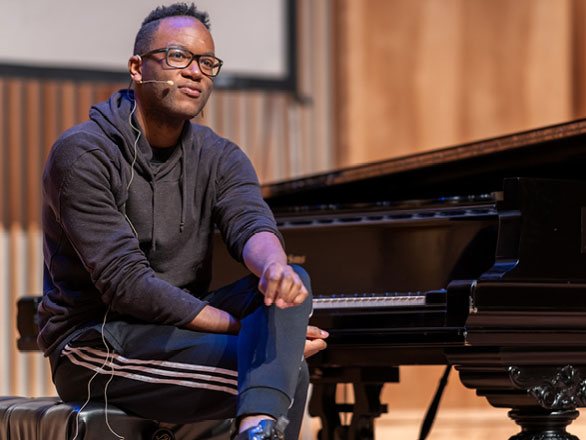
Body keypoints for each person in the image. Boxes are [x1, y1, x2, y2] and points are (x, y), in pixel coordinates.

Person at [37, 3, 328, 439]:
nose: (196, 72)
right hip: (95, 344)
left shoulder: (219, 156)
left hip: (174, 330)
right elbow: (127, 286)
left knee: (290, 284)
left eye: (206, 63)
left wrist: (274, 268)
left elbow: (250, 222)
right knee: (277, 371)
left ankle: (255, 426)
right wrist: (252, 331)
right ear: (137, 68)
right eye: (178, 56)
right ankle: (258, 422)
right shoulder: (83, 154)